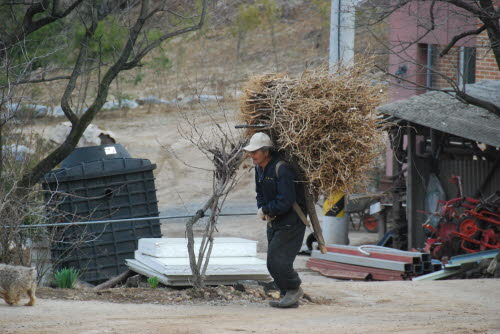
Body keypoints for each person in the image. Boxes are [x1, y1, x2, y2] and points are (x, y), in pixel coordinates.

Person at [243, 132, 307, 308]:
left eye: (255, 152)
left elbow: (286, 200)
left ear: (266, 151)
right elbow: (260, 193)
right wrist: (262, 208)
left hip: (292, 220)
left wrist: (267, 209)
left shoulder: (282, 168)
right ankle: (288, 295)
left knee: (278, 260)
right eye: (251, 152)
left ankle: (294, 289)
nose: (252, 155)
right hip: (275, 220)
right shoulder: (259, 169)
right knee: (272, 262)